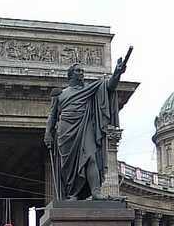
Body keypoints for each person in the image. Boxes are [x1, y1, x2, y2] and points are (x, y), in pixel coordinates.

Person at [44, 55, 129, 201]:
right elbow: (52, 117)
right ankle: (73, 194)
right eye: (78, 71)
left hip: (85, 127)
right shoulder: (60, 95)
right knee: (69, 166)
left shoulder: (90, 90)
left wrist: (117, 73)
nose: (82, 73)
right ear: (70, 75)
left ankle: (96, 192)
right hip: (66, 132)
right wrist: (48, 133)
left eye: (82, 71)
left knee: (91, 158)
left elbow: (109, 86)